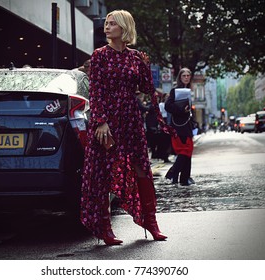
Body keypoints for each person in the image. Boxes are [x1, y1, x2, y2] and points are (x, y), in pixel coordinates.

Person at [80, 9, 176, 246]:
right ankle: (104, 228)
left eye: (113, 23)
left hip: (131, 119)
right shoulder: (100, 55)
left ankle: (151, 223)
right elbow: (96, 90)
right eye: (107, 23)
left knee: (141, 168)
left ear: (124, 28)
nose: (107, 26)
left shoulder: (134, 57)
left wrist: (144, 66)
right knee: (103, 172)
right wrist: (100, 121)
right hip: (108, 120)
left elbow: (144, 87)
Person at [164, 67, 195, 186]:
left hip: (187, 125)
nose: (186, 77)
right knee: (184, 150)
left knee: (188, 150)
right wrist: (182, 109)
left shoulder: (189, 90)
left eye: (188, 75)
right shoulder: (174, 90)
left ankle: (184, 177)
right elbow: (168, 106)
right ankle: (173, 173)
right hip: (178, 125)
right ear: (180, 77)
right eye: (184, 75)